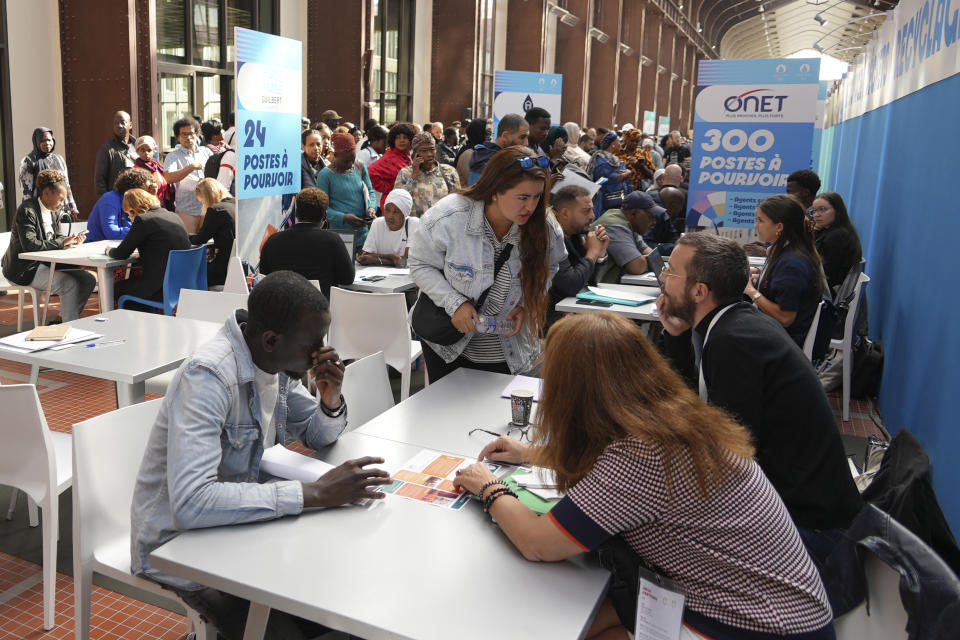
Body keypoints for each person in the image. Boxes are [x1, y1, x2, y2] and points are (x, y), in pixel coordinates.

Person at [453, 312, 836, 640]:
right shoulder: (670, 422)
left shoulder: (639, 457)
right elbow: (612, 470)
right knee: (583, 621)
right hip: (784, 612)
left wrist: (488, 486)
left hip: (750, 627)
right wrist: (536, 454)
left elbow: (537, 543)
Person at [131, 270, 391, 640]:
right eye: (313, 343)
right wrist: (314, 494)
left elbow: (318, 435)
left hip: (240, 529)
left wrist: (330, 398)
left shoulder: (277, 364)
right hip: (176, 546)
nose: (322, 352)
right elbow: (191, 503)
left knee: (344, 606)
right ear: (271, 340)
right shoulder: (209, 377)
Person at [657, 233, 862, 564]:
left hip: (807, 530)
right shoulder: (735, 322)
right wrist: (677, 337)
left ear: (699, 291)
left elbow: (728, 459)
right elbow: (701, 415)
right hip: (798, 509)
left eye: (670, 272)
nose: (663, 279)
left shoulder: (734, 342)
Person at [409, 146, 565, 382]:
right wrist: (455, 304)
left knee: (495, 415)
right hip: (448, 345)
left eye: (537, 197)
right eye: (522, 197)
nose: (531, 207)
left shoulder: (545, 227)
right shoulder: (449, 217)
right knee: (445, 413)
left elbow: (551, 267)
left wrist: (526, 304)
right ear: (495, 190)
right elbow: (420, 264)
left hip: (505, 348)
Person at [2, 169, 94, 322]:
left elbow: (56, 238)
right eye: (60, 199)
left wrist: (69, 240)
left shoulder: (54, 212)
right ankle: (70, 328)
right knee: (68, 284)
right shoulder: (27, 211)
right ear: (46, 193)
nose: (62, 203)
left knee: (88, 280)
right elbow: (30, 245)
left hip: (46, 263)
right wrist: (61, 242)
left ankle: (64, 319)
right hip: (24, 269)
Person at [744, 194, 826, 348]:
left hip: (781, 343)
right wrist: (757, 278)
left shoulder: (792, 263)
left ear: (779, 227)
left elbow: (785, 318)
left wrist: (751, 291)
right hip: (774, 332)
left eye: (760, 220)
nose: (756, 226)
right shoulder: (786, 251)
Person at [259, 188, 355, 298]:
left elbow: (265, 278)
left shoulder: (272, 241)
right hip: (318, 310)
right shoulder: (332, 240)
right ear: (325, 216)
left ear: (296, 214)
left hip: (281, 310)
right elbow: (347, 279)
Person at [106, 189, 191, 311]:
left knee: (116, 288)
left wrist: (108, 251)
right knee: (135, 286)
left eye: (129, 213)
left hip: (158, 289)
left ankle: (126, 325)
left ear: (133, 209)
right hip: (181, 285)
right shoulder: (173, 216)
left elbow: (121, 253)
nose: (130, 217)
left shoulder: (143, 220)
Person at [547, 185, 608, 329]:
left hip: (573, 314)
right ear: (565, 213)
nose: (593, 216)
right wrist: (592, 253)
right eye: (586, 211)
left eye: (592, 210)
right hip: (553, 322)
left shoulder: (576, 235)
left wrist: (600, 253)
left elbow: (591, 282)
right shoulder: (552, 238)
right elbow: (570, 285)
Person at [315, 132, 377, 250]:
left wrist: (371, 208)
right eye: (345, 161)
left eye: (352, 160)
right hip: (340, 237)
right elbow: (322, 209)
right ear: (335, 155)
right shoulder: (326, 175)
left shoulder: (359, 166)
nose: (349, 165)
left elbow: (370, 191)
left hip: (364, 236)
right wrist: (343, 217)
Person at [591, 190, 659, 283]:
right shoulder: (616, 226)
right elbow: (636, 267)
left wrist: (648, 260)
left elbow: (650, 253)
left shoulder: (629, 223)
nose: (654, 222)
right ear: (633, 214)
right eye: (650, 216)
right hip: (593, 289)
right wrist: (649, 261)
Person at [393, 132, 461, 218]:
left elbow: (457, 202)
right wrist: (414, 176)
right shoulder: (405, 173)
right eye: (424, 151)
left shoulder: (449, 171)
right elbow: (398, 201)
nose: (429, 154)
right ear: (416, 153)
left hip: (442, 227)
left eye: (432, 149)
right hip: (416, 227)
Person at [164, 117, 212, 233]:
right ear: (177, 137)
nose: (189, 138)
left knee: (208, 246)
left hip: (208, 207)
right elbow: (168, 178)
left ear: (197, 134)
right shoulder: (173, 156)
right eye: (184, 134)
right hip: (187, 209)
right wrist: (191, 167)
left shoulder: (206, 151)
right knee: (188, 244)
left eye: (191, 133)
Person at [18, 127, 79, 219]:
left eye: (49, 140)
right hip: (40, 210)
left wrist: (72, 207)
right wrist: (30, 213)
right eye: (43, 141)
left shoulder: (59, 159)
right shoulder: (28, 161)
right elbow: (27, 192)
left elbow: (66, 185)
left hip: (60, 209)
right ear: (36, 142)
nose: (47, 143)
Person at [85, 167, 156, 242]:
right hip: (96, 247)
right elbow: (111, 232)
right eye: (144, 190)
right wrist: (141, 231)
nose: (146, 194)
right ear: (134, 187)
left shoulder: (138, 202)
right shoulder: (110, 198)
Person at [812, 191, 863, 292]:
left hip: (829, 292)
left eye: (822, 210)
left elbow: (826, 274)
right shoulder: (833, 230)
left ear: (837, 210)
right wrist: (816, 229)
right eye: (814, 211)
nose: (816, 215)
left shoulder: (837, 236)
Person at [191, 178, 236, 288]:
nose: (202, 204)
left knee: (191, 272)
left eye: (202, 201)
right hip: (235, 263)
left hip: (222, 268)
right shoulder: (235, 203)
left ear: (207, 197)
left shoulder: (216, 210)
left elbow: (200, 239)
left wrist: (184, 235)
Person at [358, 188, 419, 267]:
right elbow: (367, 255)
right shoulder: (377, 223)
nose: (390, 216)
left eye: (396, 212)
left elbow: (408, 260)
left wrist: (377, 259)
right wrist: (391, 257)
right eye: (387, 210)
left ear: (405, 213)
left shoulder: (413, 224)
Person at [468, 113, 529, 185]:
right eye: (522, 137)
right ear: (505, 136)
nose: (526, 143)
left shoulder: (483, 155)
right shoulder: (495, 162)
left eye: (527, 137)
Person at [368, 122, 416, 210]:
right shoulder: (390, 156)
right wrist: (390, 187)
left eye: (405, 137)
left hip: (405, 203)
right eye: (398, 138)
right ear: (393, 140)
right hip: (392, 206)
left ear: (411, 140)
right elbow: (370, 172)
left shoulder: (407, 156)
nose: (401, 140)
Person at [589, 131, 633, 217]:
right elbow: (602, 180)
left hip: (616, 201)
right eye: (618, 141)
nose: (620, 144)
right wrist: (625, 175)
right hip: (604, 203)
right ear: (612, 144)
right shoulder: (601, 161)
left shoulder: (613, 159)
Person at [94, 110, 137, 197]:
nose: (119, 126)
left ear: (130, 125)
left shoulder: (139, 147)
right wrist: (106, 201)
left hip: (138, 199)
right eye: (116, 123)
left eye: (122, 122)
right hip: (119, 200)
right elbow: (99, 180)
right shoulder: (107, 149)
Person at [643, 185, 684, 255]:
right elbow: (645, 245)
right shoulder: (652, 213)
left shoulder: (665, 212)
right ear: (672, 205)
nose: (680, 210)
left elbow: (672, 235)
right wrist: (674, 248)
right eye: (680, 207)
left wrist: (680, 244)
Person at [455, 119, 489, 186]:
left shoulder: (482, 152)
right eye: (487, 134)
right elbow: (477, 185)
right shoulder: (468, 154)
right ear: (479, 134)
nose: (490, 137)